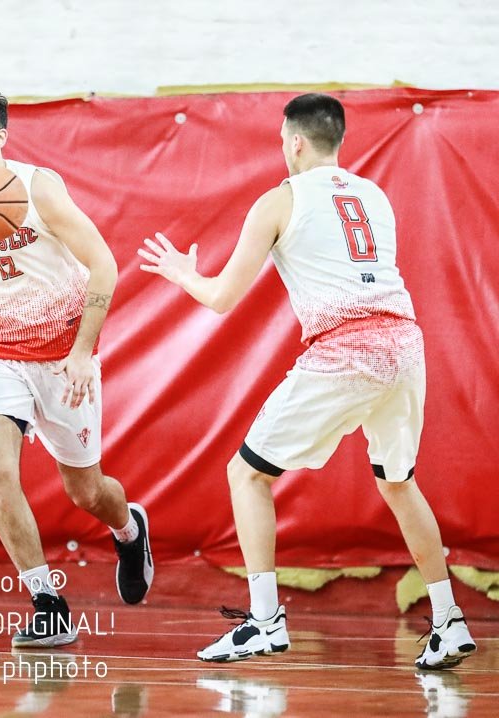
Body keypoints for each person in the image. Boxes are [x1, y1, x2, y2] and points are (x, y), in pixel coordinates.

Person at [138, 93, 475, 669]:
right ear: (336, 140)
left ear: (294, 141)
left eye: (280, 140)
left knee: (245, 474)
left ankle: (265, 622)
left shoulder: (278, 200)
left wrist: (183, 274)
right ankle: (449, 621)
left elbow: (222, 299)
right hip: (405, 343)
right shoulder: (374, 196)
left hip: (347, 348)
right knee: (399, 483)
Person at [0, 86, 153, 648]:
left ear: (0, 135)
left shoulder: (39, 188)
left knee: (87, 491)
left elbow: (104, 266)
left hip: (62, 352)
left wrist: (82, 352)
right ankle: (47, 600)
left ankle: (128, 527)